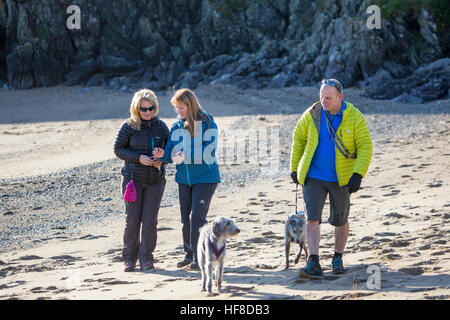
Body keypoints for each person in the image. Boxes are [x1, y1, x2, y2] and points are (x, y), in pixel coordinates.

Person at [290, 79, 372, 278]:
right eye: (321, 97)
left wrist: (358, 173)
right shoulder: (312, 114)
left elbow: (365, 146)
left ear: (340, 97)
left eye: (328, 98)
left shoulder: (354, 116)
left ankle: (337, 258)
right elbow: (298, 139)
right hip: (313, 176)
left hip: (341, 178)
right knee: (312, 219)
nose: (323, 101)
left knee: (340, 219)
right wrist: (294, 168)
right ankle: (314, 262)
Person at [153, 88, 220, 270]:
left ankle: (201, 256)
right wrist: (161, 155)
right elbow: (170, 153)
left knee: (197, 217)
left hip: (206, 177)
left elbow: (209, 150)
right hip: (183, 179)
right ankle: (189, 253)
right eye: (176, 108)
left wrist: (185, 154)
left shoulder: (207, 122)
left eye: (181, 107)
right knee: (185, 219)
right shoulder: (175, 127)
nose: (178, 111)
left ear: (190, 105)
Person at [114, 88, 169, 272]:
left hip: (155, 181)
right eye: (143, 109)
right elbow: (118, 149)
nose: (147, 112)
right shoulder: (128, 126)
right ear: (136, 108)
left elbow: (170, 153)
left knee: (150, 221)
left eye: (151, 108)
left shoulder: (161, 127)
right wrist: (138, 158)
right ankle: (130, 258)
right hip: (132, 181)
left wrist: (161, 160)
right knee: (132, 220)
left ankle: (146, 259)